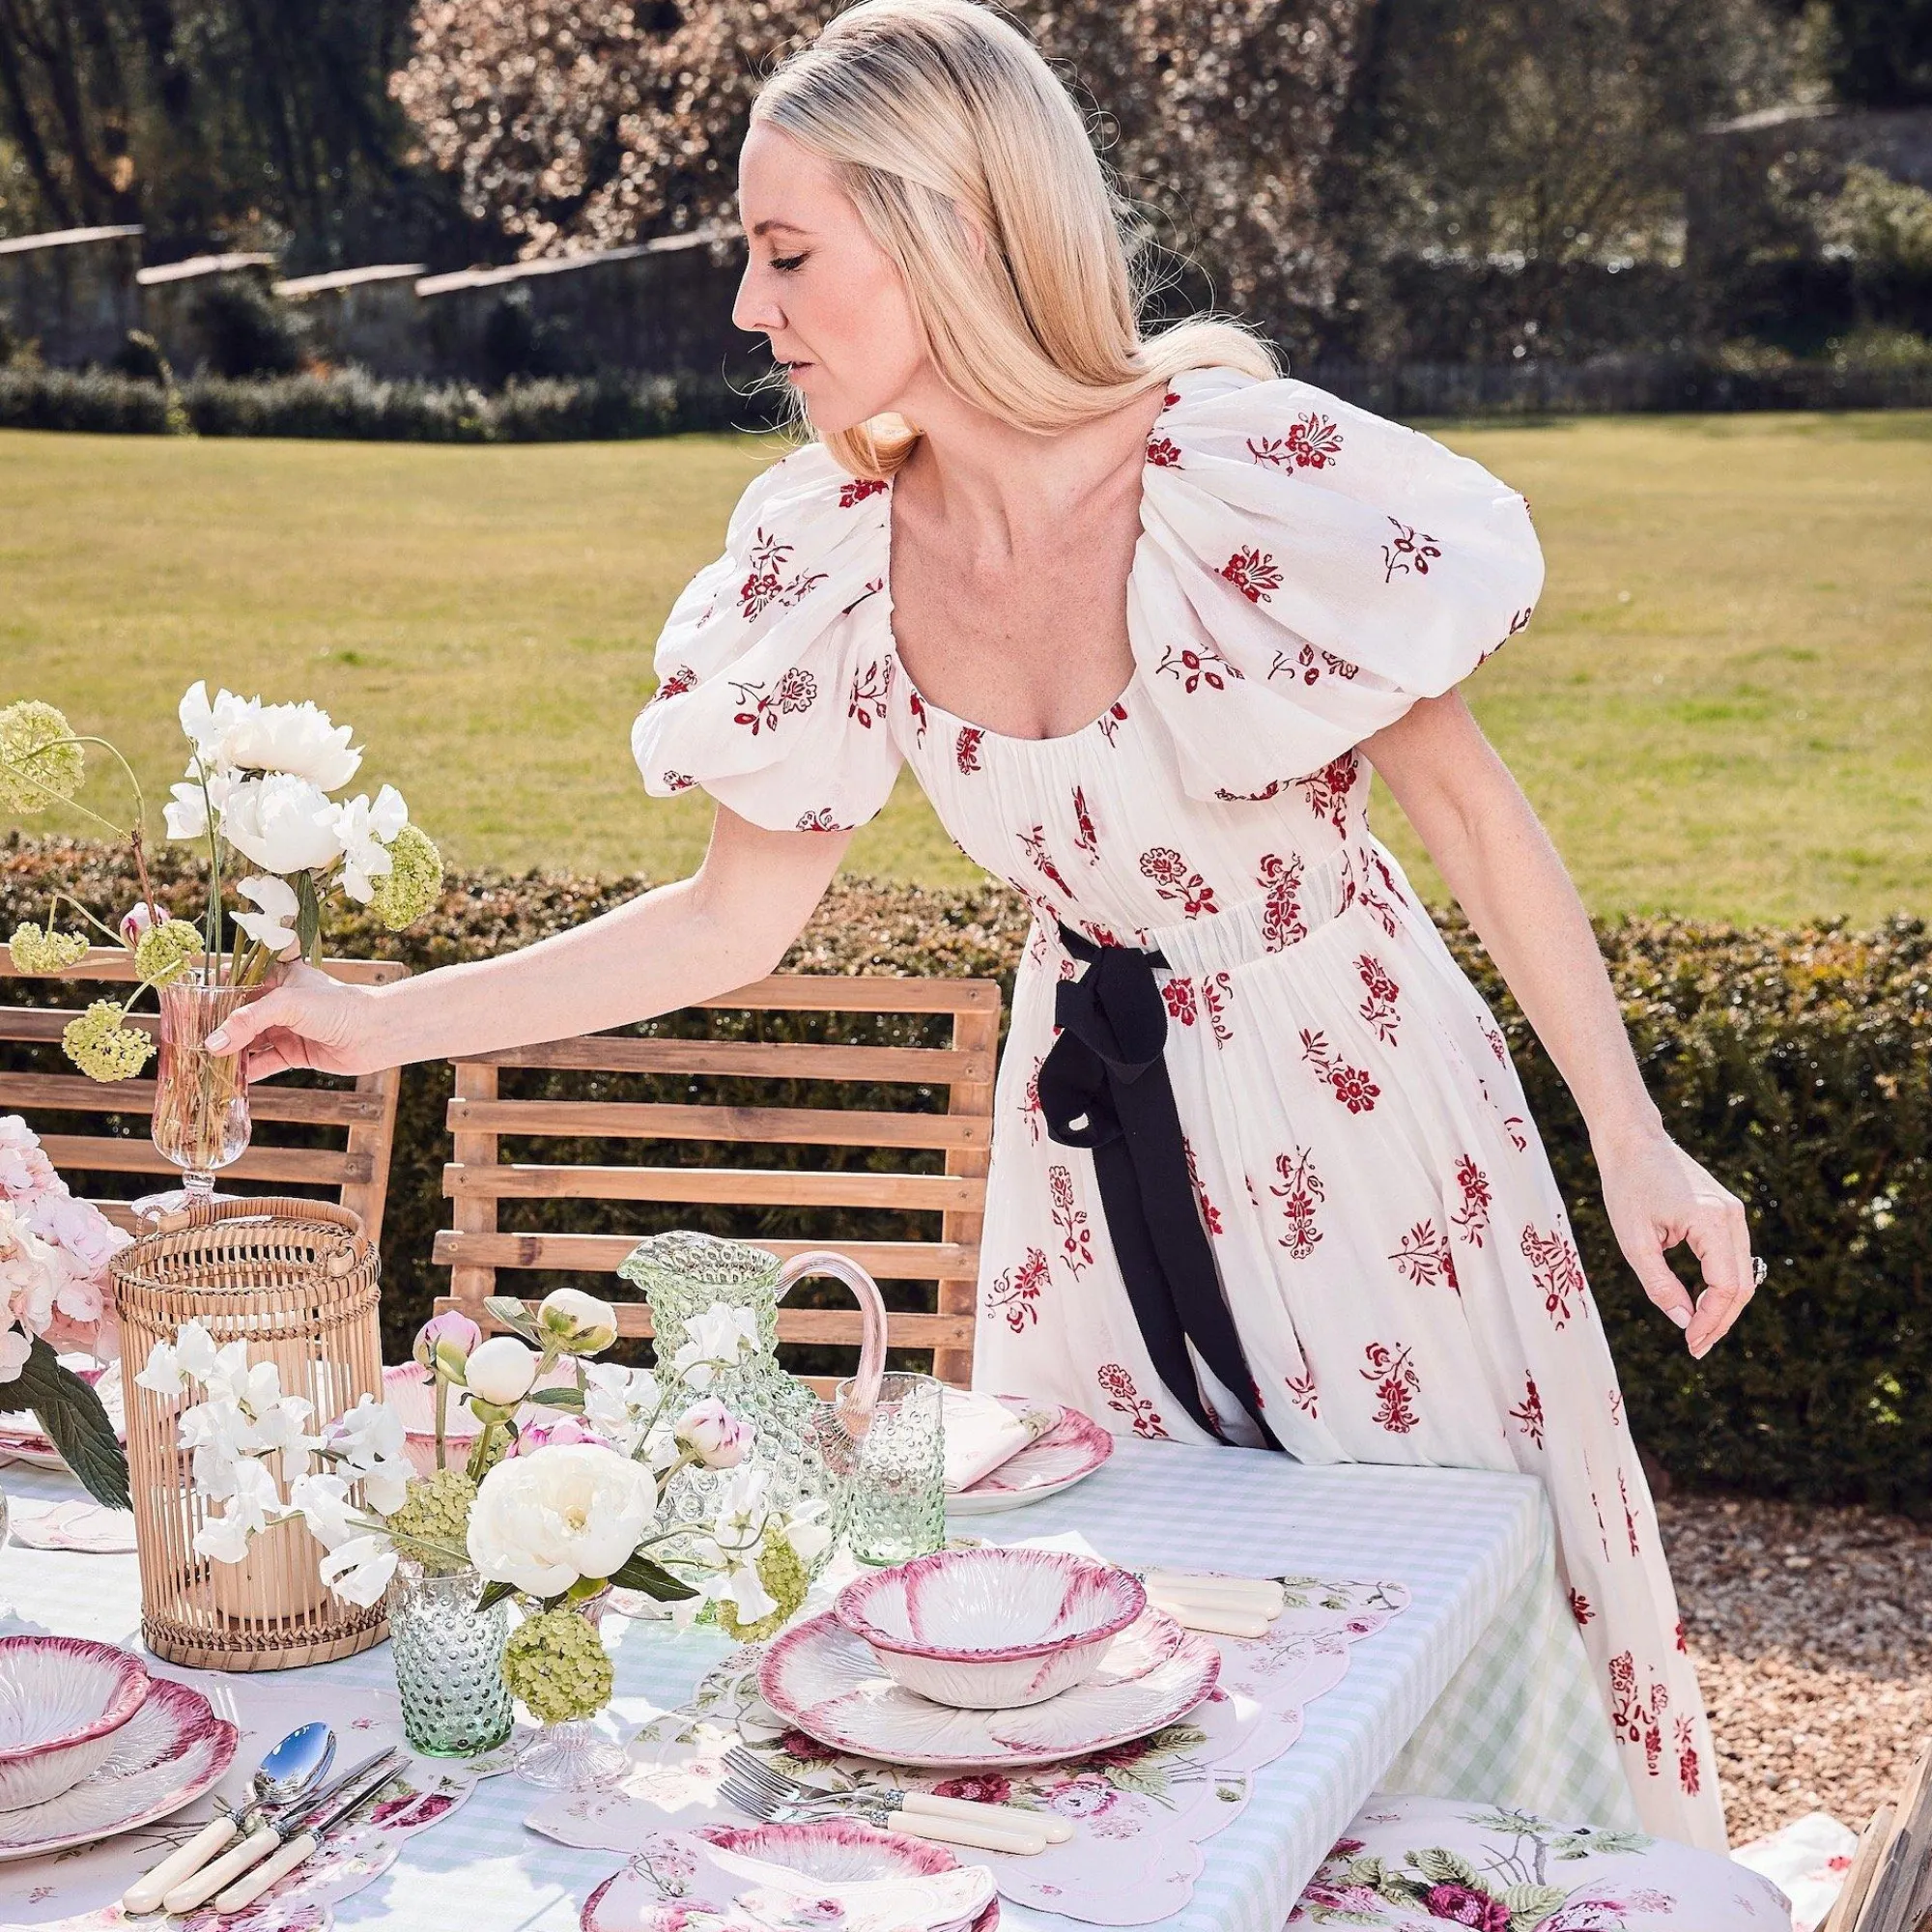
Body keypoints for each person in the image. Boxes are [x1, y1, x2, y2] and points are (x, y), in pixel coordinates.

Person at [206, 0, 1754, 1847]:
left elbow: (1478, 826)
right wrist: (378, 1021)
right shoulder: (834, 554)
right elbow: (726, 922)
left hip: (1360, 1128)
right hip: (1083, 1160)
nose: (748, 307)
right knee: (1107, 1661)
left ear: (948, 231)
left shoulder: (1241, 482)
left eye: (788, 254)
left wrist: (1634, 1138)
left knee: (1447, 1599)